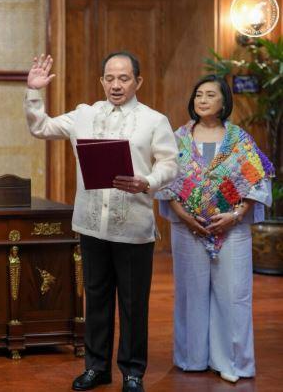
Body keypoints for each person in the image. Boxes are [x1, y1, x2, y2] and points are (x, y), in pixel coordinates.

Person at [24, 52, 178, 392]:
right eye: (109, 78)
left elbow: (170, 164)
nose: (116, 85)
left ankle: (133, 372)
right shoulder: (84, 114)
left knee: (133, 304)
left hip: (133, 226)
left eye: (123, 78)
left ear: (138, 81)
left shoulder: (154, 121)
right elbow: (41, 127)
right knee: (95, 299)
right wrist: (34, 91)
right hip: (92, 224)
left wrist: (148, 181)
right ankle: (96, 368)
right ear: (101, 81)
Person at [157, 75, 273, 383]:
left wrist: (235, 215)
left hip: (232, 229)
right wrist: (184, 217)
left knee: (233, 294)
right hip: (188, 228)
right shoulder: (178, 138)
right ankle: (192, 357)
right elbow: (166, 182)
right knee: (190, 294)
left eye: (210, 94)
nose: (203, 100)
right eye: (198, 95)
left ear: (224, 102)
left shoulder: (239, 140)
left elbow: (256, 180)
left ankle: (233, 361)